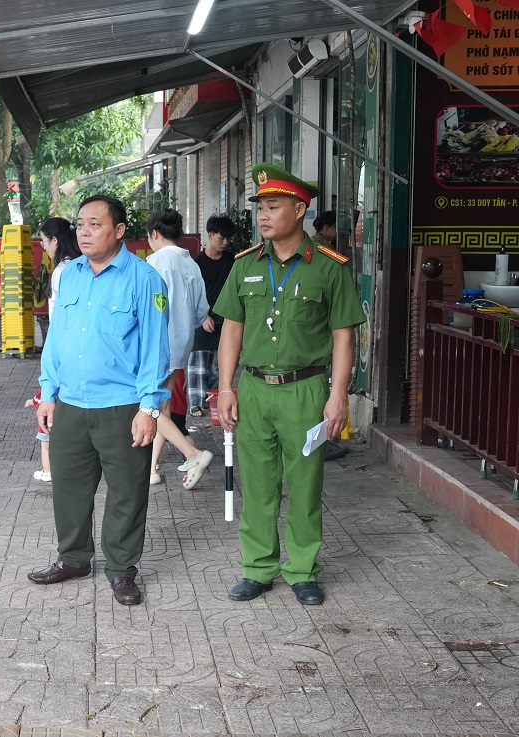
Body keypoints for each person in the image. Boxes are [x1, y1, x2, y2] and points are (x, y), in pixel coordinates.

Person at [214, 164, 366, 607]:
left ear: (300, 210)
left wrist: (338, 395)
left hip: (306, 390)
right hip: (256, 389)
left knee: (304, 484)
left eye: (273, 206)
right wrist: (227, 387)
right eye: (260, 207)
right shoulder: (245, 266)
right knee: (257, 484)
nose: (263, 215)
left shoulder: (329, 267)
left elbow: (344, 335)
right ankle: (258, 568)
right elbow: (231, 330)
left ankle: (302, 570)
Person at [26, 195, 170, 606]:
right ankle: (73, 558)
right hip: (70, 403)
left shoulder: (145, 280)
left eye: (95, 224)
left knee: (126, 492)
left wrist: (149, 408)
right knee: (68, 487)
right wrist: (47, 393)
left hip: (122, 406)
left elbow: (156, 350)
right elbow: (56, 337)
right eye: (80, 225)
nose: (84, 232)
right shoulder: (68, 274)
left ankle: (122, 570)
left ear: (120, 230)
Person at [144, 209, 212, 489]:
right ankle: (151, 470)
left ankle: (193, 453)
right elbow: (200, 312)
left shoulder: (155, 262)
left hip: (156, 346)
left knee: (152, 407)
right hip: (182, 345)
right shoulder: (191, 264)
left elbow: (146, 309)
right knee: (163, 407)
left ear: (155, 234)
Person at [188, 215, 237, 416]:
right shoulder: (196, 264)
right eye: (221, 238)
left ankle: (214, 397)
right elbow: (191, 295)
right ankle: (196, 402)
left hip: (226, 320)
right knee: (199, 363)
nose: (225, 243)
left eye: (228, 239)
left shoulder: (233, 262)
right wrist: (203, 316)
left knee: (222, 363)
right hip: (203, 319)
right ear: (210, 235)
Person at [38, 217, 82, 317]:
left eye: (43, 241)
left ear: (54, 240)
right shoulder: (82, 264)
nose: (44, 247)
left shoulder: (61, 270)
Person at [24, 389, 51, 482]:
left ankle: (47, 472)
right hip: (65, 424)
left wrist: (30, 402)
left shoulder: (51, 384)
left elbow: (39, 399)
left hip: (47, 424)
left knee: (46, 446)